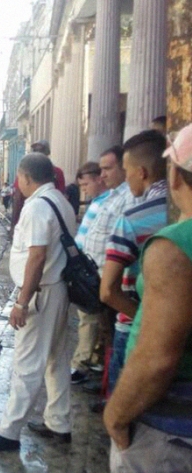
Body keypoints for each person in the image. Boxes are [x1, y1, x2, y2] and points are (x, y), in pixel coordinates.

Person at [0, 153, 76, 452]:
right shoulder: (61, 201)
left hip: (41, 293)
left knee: (27, 364)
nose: (18, 183)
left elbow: (37, 256)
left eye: (19, 177)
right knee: (56, 359)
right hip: (57, 289)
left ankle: (8, 431)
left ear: (26, 177)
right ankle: (59, 422)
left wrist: (21, 302)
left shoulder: (37, 207)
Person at [104, 123, 192, 472]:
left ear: (175, 176)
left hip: (169, 429)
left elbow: (157, 358)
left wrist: (115, 415)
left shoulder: (173, 247)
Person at [100, 130, 168, 395]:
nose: (126, 177)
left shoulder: (132, 219)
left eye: (127, 170)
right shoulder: (180, 210)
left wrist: (144, 320)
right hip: (180, 329)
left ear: (142, 172)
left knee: (124, 409)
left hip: (134, 330)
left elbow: (108, 291)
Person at [70, 161, 109, 385]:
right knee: (97, 319)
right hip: (89, 266)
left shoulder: (107, 203)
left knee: (88, 317)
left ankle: (80, 364)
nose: (84, 190)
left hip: (96, 268)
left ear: (98, 179)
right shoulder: (98, 202)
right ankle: (95, 358)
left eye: (86, 185)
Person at [10, 140, 65, 234]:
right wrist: (14, 225)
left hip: (47, 219)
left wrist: (13, 226)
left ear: (47, 153)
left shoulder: (57, 172)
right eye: (35, 150)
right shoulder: (25, 172)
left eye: (41, 150)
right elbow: (18, 198)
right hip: (30, 219)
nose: (37, 153)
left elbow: (61, 196)